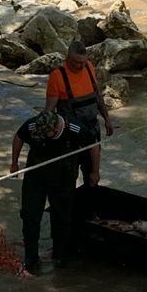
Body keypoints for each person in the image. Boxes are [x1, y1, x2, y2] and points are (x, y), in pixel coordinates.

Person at [10, 107, 77, 274]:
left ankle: (59, 255)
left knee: (61, 216)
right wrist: (14, 163)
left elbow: (93, 147)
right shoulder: (32, 125)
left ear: (55, 129)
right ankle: (31, 258)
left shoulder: (74, 128)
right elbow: (19, 137)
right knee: (30, 215)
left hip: (63, 177)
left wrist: (95, 172)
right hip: (36, 176)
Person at [46, 41, 114, 186]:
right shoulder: (57, 76)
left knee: (92, 173)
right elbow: (49, 110)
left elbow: (98, 96)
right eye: (76, 62)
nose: (80, 66)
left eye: (83, 62)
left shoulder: (89, 67)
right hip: (70, 136)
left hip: (91, 130)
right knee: (67, 176)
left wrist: (107, 118)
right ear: (67, 58)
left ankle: (90, 201)